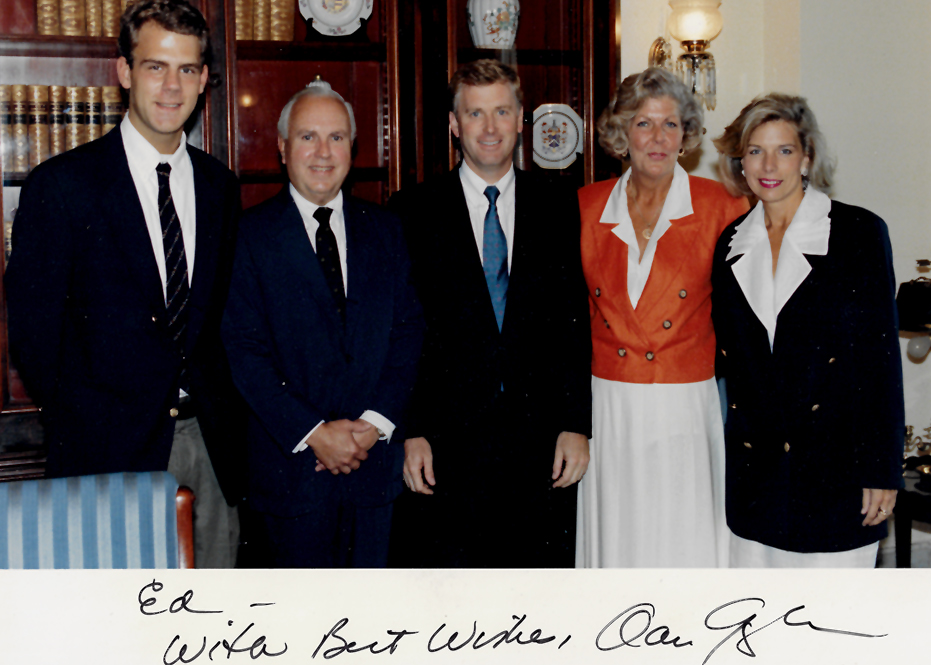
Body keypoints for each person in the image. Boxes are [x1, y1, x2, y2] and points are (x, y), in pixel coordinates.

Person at [4, 0, 243, 568]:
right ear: (124, 71)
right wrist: (94, 423)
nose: (171, 86)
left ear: (206, 79)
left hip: (211, 451)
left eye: (187, 69)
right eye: (155, 66)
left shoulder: (219, 188)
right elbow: (35, 342)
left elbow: (221, 324)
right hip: (104, 455)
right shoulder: (62, 187)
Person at [388, 59, 592, 568]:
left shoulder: (559, 204)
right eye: (475, 114)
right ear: (454, 124)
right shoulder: (412, 211)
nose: (490, 127)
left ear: (521, 118)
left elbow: (573, 320)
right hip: (447, 447)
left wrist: (575, 424)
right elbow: (401, 333)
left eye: (502, 111)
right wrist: (412, 431)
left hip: (540, 446)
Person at [221, 80, 423, 568]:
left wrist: (373, 426)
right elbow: (243, 351)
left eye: (336, 138)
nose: (322, 152)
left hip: (374, 473)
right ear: (283, 148)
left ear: (352, 149)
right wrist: (314, 432)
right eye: (308, 136)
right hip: (290, 480)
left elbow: (408, 332)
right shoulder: (248, 235)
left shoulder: (386, 229)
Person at [711, 94, 904, 567]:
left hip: (836, 472)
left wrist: (882, 469)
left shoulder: (857, 233)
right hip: (758, 476)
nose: (769, 164)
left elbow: (880, 363)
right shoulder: (730, 244)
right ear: (740, 161)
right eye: (755, 151)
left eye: (784, 150)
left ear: (808, 157)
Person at [575, 68, 749, 568]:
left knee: (680, 539)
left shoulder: (722, 207)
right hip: (610, 402)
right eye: (644, 124)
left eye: (670, 124)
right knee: (621, 539)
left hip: (684, 403)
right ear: (621, 133)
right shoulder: (585, 207)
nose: (658, 138)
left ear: (687, 135)